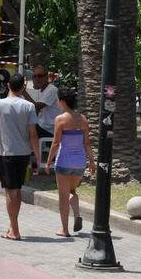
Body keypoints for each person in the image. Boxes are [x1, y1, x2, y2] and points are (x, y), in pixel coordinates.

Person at [0, 73, 40, 240]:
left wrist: (0, 145)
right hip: (23, 152)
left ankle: (15, 230)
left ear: (8, 86)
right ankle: (12, 226)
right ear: (23, 88)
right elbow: (33, 134)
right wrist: (37, 156)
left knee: (10, 191)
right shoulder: (29, 106)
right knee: (17, 190)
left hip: (7, 152)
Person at [45, 88, 95, 237]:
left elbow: (56, 142)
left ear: (62, 102)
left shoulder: (60, 119)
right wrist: (92, 161)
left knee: (63, 196)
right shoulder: (83, 119)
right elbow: (87, 142)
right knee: (72, 191)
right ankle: (77, 213)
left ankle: (65, 230)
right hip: (80, 162)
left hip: (64, 161)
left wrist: (48, 162)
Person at [23, 65, 59, 138]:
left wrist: (24, 92)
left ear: (47, 77)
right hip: (41, 126)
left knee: (21, 130)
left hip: (49, 130)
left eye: (40, 76)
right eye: (35, 76)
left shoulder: (51, 90)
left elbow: (37, 107)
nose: (37, 79)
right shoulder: (40, 91)